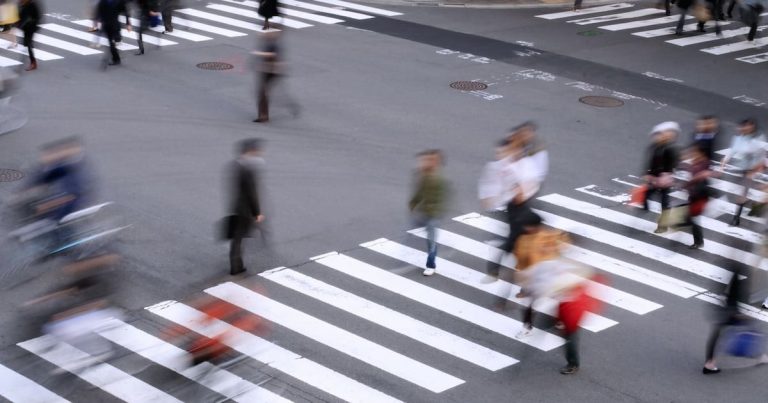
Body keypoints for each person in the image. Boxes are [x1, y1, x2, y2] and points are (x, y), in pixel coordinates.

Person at [408, 149, 449, 276]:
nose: (424, 163)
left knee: (431, 240)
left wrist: (436, 210)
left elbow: (444, 199)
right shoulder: (423, 176)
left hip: (433, 215)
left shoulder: (439, 179)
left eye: (429, 160)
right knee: (424, 237)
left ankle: (431, 265)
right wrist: (413, 203)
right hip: (424, 213)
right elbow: (420, 192)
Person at [228, 139, 264, 276]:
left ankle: (236, 264)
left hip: (237, 205)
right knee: (239, 238)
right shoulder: (248, 170)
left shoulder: (235, 165)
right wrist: (257, 212)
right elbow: (252, 193)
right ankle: (236, 266)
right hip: (245, 210)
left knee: (236, 238)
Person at [720, 118, 766, 227]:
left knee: (742, 195)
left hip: (752, 170)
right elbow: (732, 150)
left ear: (752, 128)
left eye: (748, 126)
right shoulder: (738, 138)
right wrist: (724, 162)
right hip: (740, 168)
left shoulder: (758, 140)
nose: (744, 128)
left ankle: (736, 218)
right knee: (741, 193)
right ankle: (754, 204)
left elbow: (761, 157)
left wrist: (755, 170)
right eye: (743, 126)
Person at [643, 122, 680, 233]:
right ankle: (644, 207)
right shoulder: (654, 147)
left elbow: (673, 164)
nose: (657, 137)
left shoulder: (670, 149)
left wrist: (664, 175)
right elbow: (650, 162)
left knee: (664, 203)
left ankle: (662, 226)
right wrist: (647, 173)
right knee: (646, 195)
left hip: (664, 180)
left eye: (660, 135)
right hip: (654, 178)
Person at [681, 144, 712, 249]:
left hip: (700, 196)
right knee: (690, 216)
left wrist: (687, 185)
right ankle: (686, 222)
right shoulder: (697, 162)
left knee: (694, 219)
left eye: (695, 152)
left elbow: (697, 178)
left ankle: (698, 242)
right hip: (694, 195)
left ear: (701, 153)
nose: (692, 154)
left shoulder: (704, 164)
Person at [252, 31, 280, 123]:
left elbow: (272, 55)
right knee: (263, 93)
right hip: (268, 71)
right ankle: (264, 115)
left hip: (270, 72)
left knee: (262, 94)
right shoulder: (269, 44)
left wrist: (259, 54)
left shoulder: (272, 45)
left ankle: (263, 116)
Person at [96, 0, 130, 67]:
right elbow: (99, 12)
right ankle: (116, 58)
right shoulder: (103, 2)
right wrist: (98, 22)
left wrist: (128, 24)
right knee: (111, 43)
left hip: (115, 25)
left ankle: (115, 58)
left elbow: (125, 11)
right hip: (106, 25)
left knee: (112, 42)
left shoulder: (118, 2)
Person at [18, 0, 41, 72]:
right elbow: (21, 15)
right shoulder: (23, 4)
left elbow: (37, 16)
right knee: (26, 44)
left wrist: (31, 22)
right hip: (25, 28)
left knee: (28, 44)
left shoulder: (32, 5)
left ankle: (33, 63)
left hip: (31, 28)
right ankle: (30, 44)